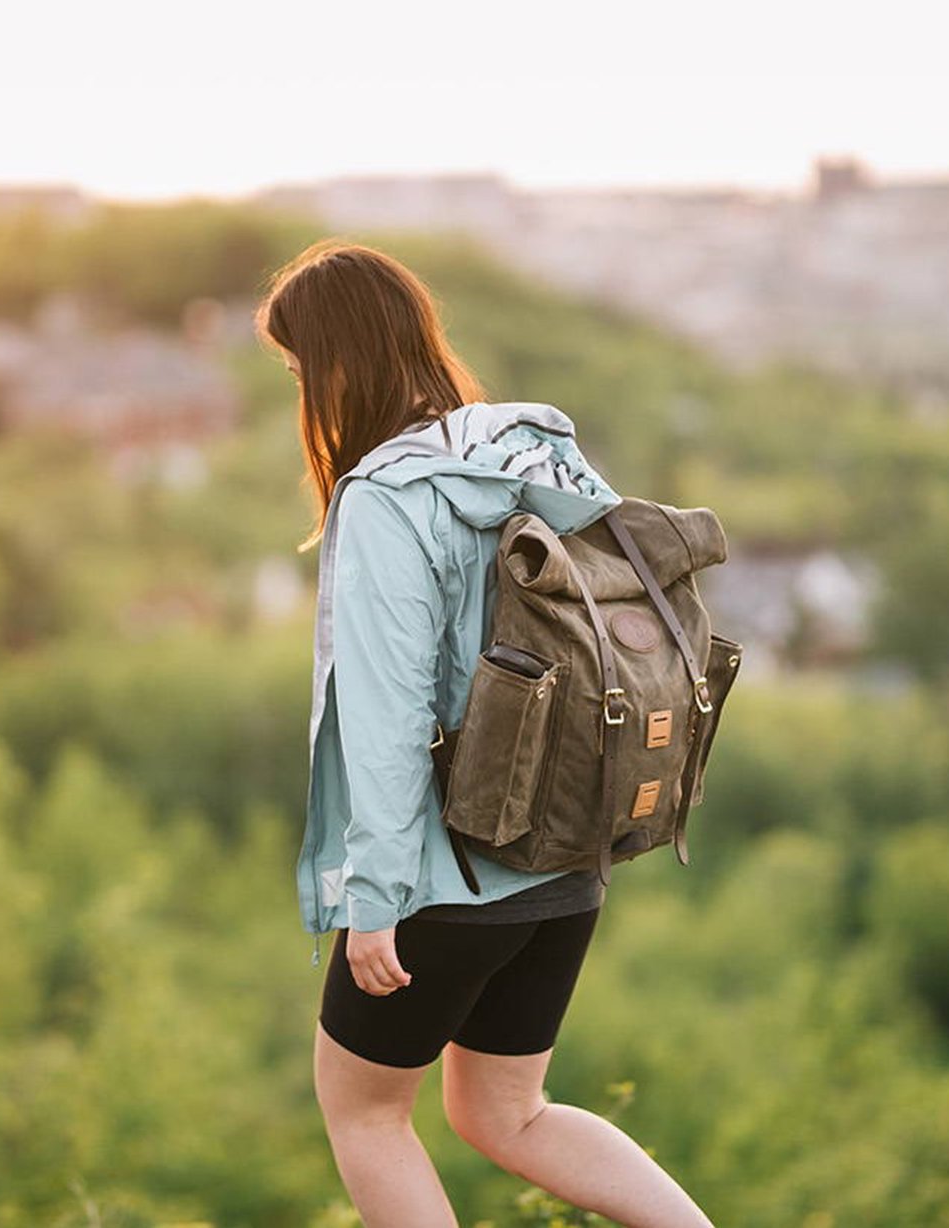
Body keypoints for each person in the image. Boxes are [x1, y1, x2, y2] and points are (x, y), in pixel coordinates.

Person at [256, 240, 717, 1228]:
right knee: (507, 1111)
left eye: (301, 371)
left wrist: (374, 900)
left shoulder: (387, 500)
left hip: (447, 869)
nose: (302, 393)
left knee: (364, 1112)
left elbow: (386, 718)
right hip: (565, 852)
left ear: (336, 367)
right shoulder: (537, 455)